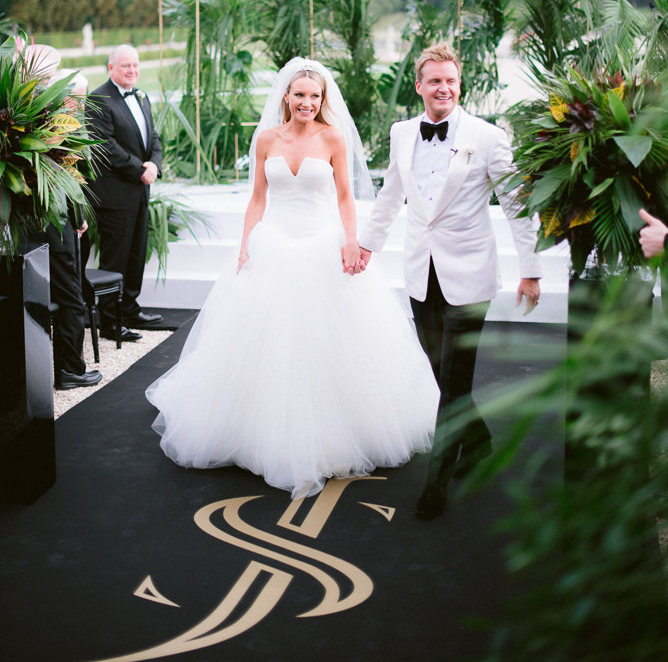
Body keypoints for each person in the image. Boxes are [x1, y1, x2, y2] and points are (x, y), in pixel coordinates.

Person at [146, 58, 439, 500]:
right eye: (299, 94)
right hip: (274, 244)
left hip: (324, 244)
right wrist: (246, 245)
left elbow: (346, 196)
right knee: (265, 343)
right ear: (286, 96)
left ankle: (337, 434)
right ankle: (258, 434)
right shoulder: (266, 139)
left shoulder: (333, 137)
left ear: (323, 101)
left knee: (335, 340)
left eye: (314, 96)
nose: (307, 102)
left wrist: (350, 240)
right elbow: (257, 198)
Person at [359, 41, 542, 519]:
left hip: (471, 276)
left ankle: (436, 482)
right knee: (444, 378)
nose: (444, 88)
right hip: (421, 275)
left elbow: (517, 205)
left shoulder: (487, 136)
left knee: (456, 379)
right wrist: (365, 245)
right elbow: (389, 196)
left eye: (451, 81)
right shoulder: (402, 133)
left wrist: (531, 269)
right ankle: (479, 442)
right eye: (435, 80)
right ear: (419, 86)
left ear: (460, 85)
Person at [20, 49, 103, 391]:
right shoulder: (53, 114)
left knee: (34, 296)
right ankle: (70, 369)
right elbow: (66, 175)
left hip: (25, 226)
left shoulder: (18, 107)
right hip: (55, 222)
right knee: (69, 293)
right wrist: (78, 218)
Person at [86, 45, 163, 340]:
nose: (132, 71)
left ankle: (130, 309)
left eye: (135, 65)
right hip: (115, 195)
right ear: (111, 67)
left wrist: (154, 165)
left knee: (136, 254)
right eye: (125, 66)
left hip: (140, 191)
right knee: (115, 259)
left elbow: (153, 137)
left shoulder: (142, 96)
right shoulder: (98, 99)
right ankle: (110, 322)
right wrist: (139, 169)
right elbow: (105, 146)